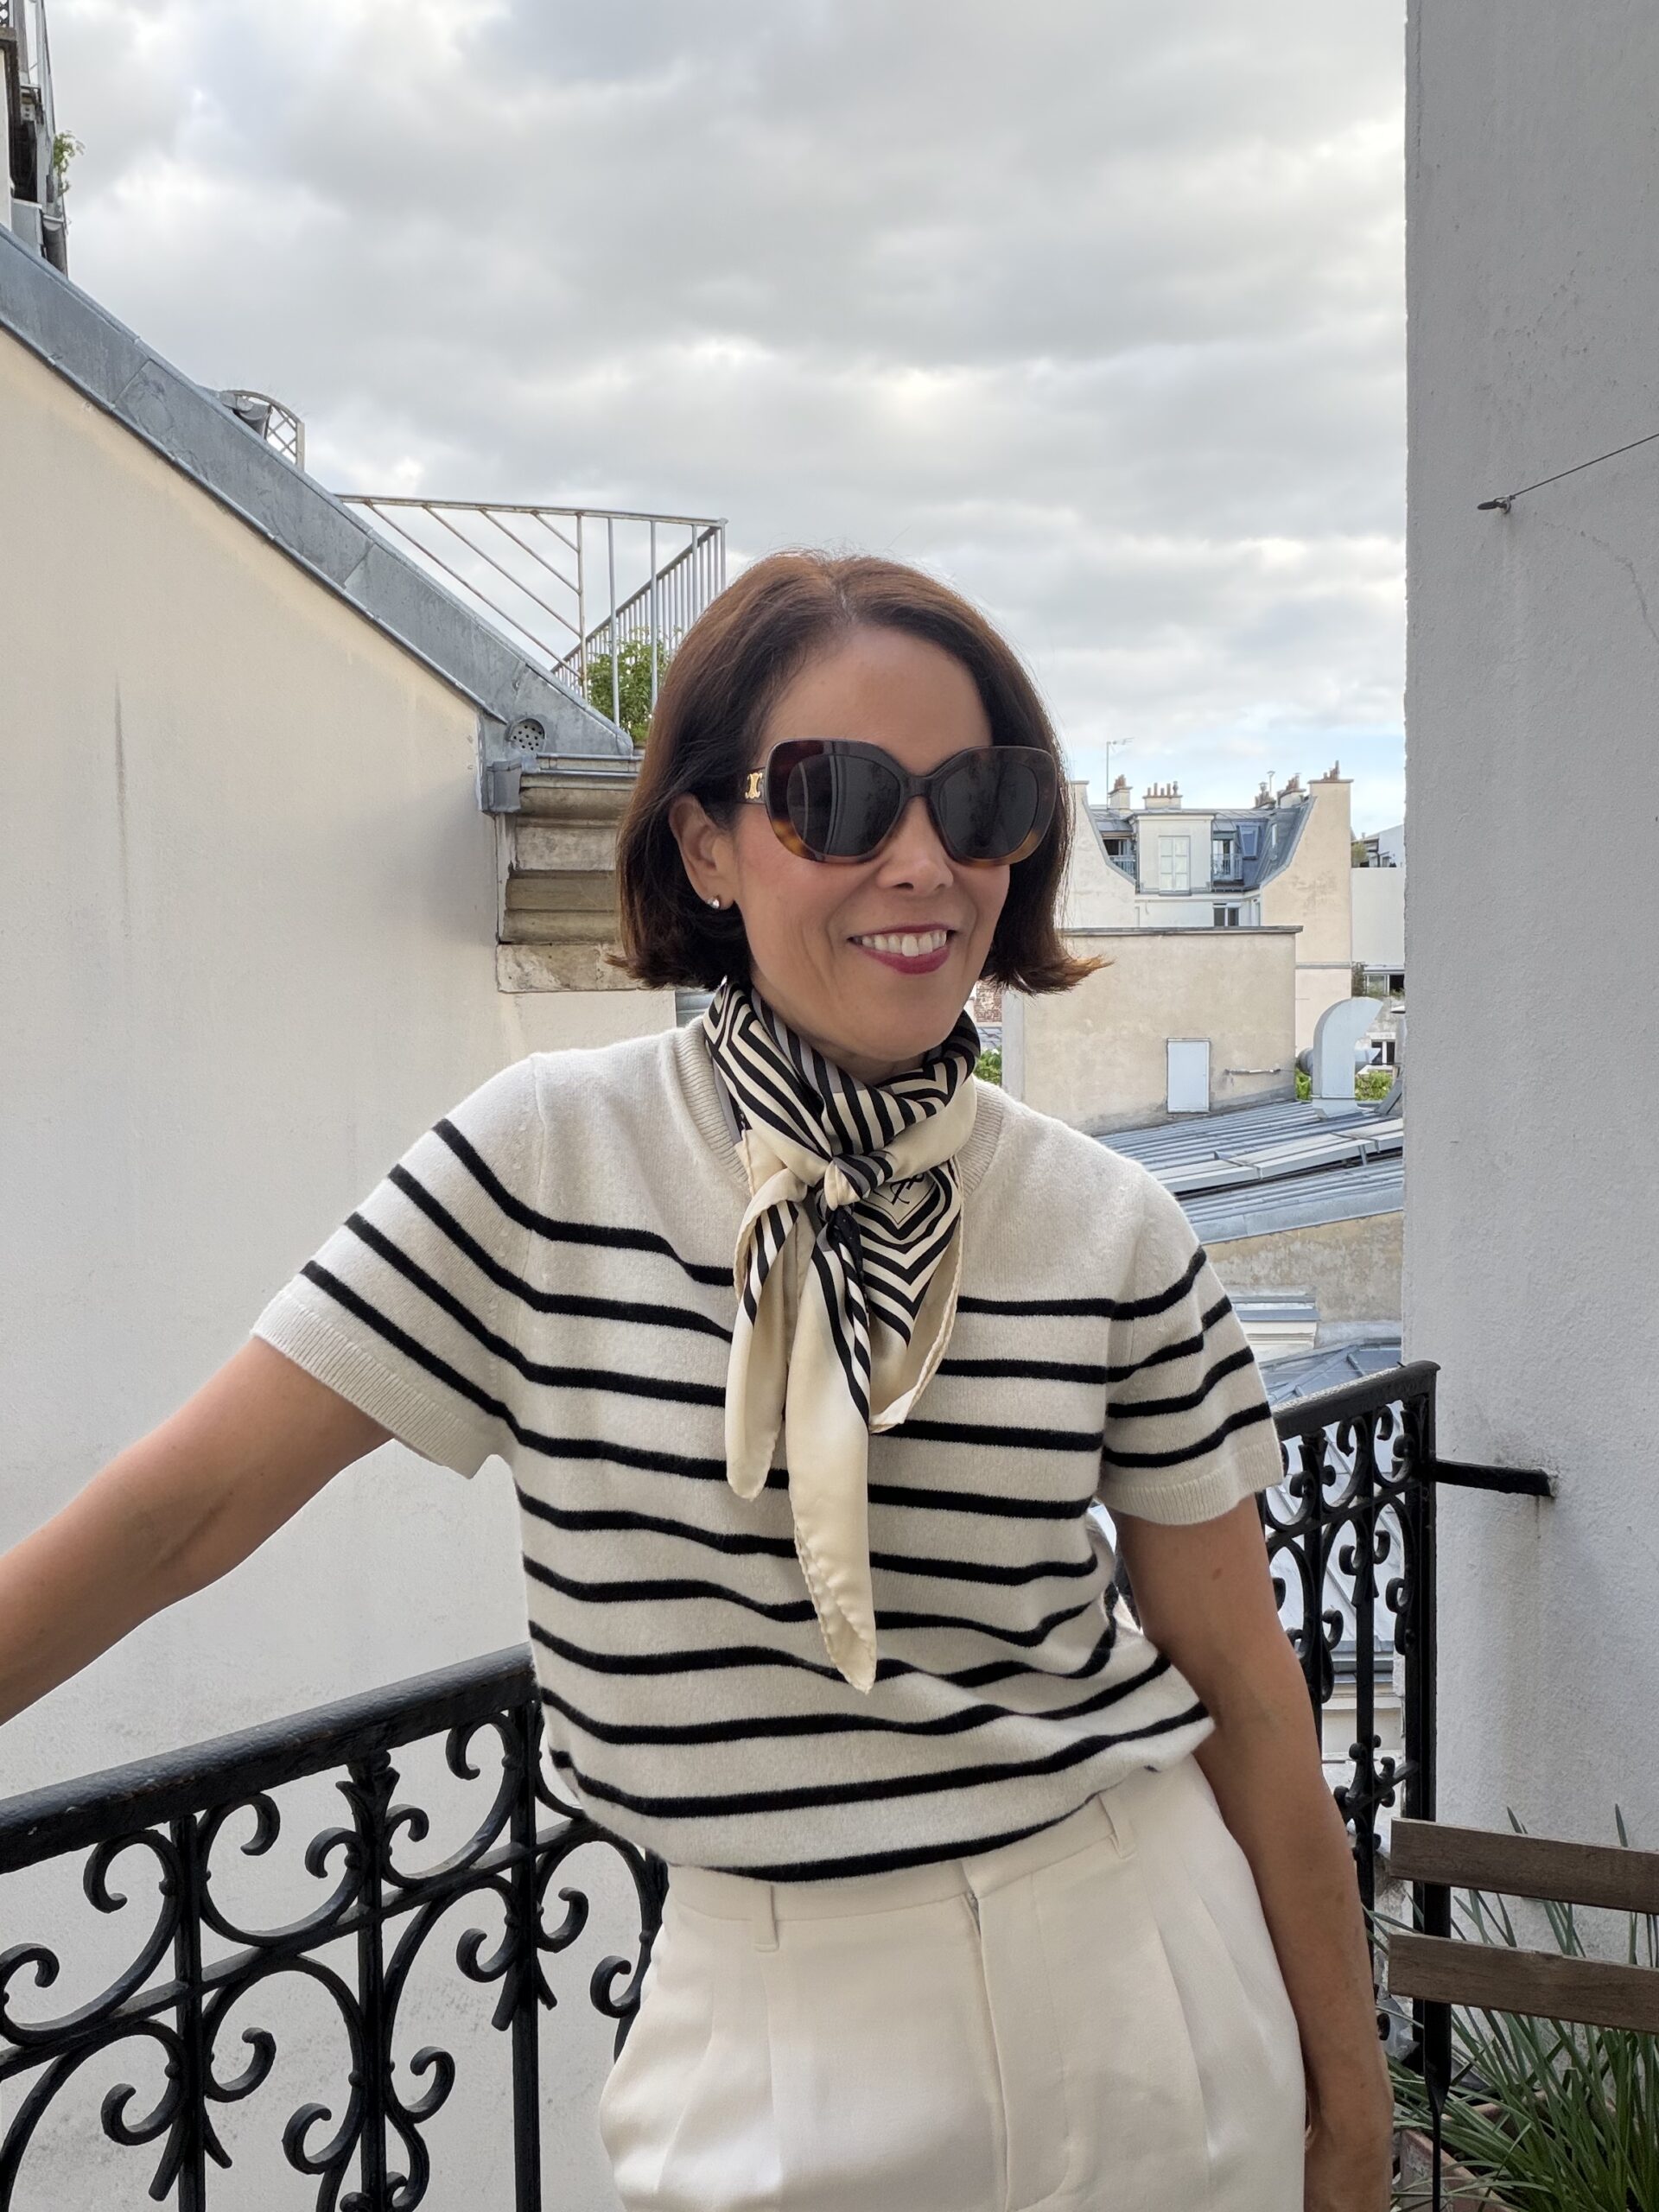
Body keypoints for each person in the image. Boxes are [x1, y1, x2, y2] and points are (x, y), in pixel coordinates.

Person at [0, 550, 1394, 2210]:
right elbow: (185, 1510)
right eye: (839, 798)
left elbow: (1247, 1692)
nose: (923, 859)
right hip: (775, 2014)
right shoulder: (549, 1158)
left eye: (980, 798)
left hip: (1141, 1968)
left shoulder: (1107, 1224)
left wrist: (1349, 2102)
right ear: (708, 845)